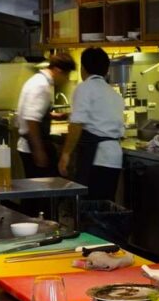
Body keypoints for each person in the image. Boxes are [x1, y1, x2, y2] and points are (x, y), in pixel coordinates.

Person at [58, 48, 125, 200]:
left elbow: (76, 124)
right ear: (106, 70)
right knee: (105, 206)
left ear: (83, 68)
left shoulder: (84, 88)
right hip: (114, 157)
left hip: (97, 158)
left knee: (90, 206)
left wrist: (66, 154)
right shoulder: (114, 93)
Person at [15, 55, 76, 178]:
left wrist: (56, 116)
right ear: (58, 71)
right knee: (40, 192)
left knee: (37, 190)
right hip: (32, 146)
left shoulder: (38, 80)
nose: (66, 79)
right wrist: (39, 151)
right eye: (67, 75)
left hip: (30, 145)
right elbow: (31, 120)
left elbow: (35, 113)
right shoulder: (41, 86)